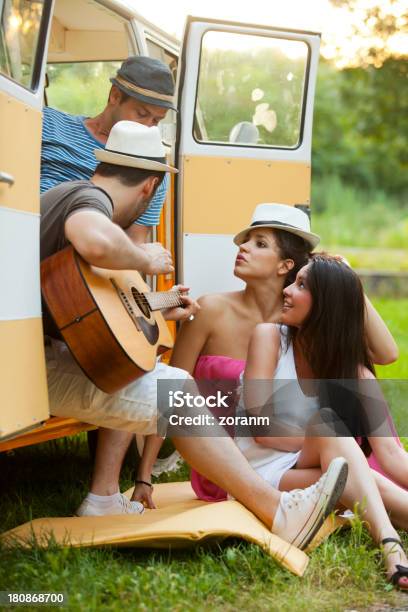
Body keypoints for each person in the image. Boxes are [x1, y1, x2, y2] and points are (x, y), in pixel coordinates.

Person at [40, 141, 348, 550]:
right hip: (30, 365)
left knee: (128, 365)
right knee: (177, 388)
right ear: (151, 186)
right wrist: (142, 258)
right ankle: (277, 511)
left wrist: (156, 305)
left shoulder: (59, 196)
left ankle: (103, 497)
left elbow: (82, 306)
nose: (244, 249)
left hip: (42, 351)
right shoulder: (89, 198)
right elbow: (94, 241)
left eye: (260, 243)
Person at [170, 204, 398, 500]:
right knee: (357, 476)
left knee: (360, 473)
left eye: (260, 243)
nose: (243, 247)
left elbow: (386, 353)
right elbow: (173, 390)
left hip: (306, 452)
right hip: (237, 455)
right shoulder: (213, 310)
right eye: (247, 240)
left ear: (285, 265)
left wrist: (347, 282)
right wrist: (144, 477)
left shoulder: (300, 320)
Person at [238, 254, 408, 589]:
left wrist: (339, 453)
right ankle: (391, 545)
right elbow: (261, 427)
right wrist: (331, 441)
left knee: (369, 482)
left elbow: (393, 456)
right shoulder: (269, 338)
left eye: (301, 285)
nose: (287, 290)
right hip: (260, 473)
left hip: (323, 470)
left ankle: (391, 540)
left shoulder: (355, 372)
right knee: (331, 430)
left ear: (327, 303)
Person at [41, 56, 176, 243]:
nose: (147, 127)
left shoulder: (153, 170)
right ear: (115, 96)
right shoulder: (49, 123)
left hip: (87, 261)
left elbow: (133, 243)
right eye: (142, 114)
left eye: (156, 121)